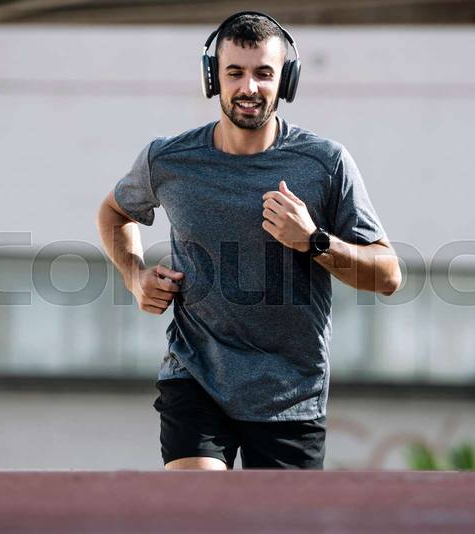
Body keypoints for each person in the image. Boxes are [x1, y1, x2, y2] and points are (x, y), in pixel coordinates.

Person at [96, 11, 401, 470]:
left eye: (264, 73)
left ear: (287, 80)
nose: (249, 88)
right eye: (234, 73)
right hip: (195, 376)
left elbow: (388, 276)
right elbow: (114, 212)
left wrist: (314, 241)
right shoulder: (170, 159)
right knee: (200, 510)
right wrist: (135, 275)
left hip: (291, 396)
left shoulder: (325, 163)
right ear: (212, 78)